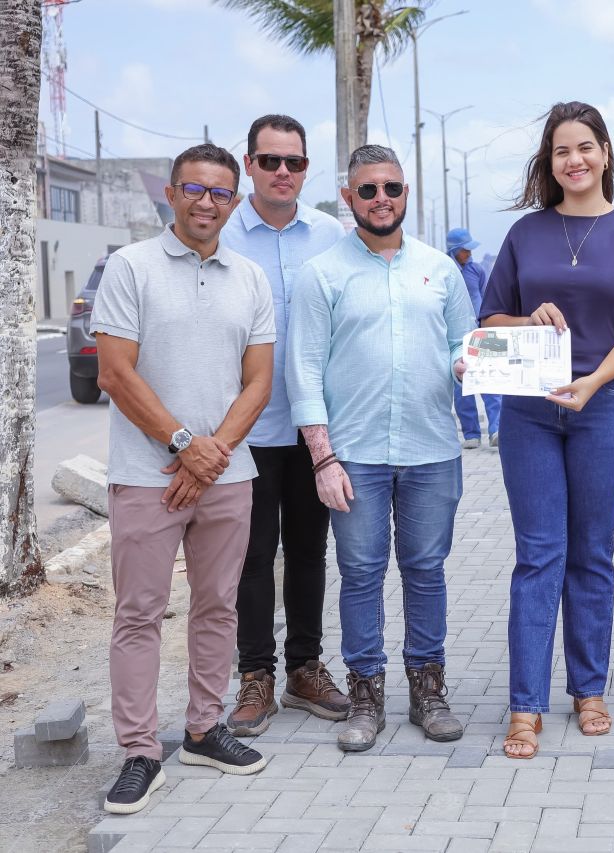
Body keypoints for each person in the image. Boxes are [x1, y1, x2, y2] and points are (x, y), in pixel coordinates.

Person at [479, 101, 614, 759]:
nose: (574, 159)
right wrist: (527, 321)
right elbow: (489, 320)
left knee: (591, 551)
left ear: (606, 153)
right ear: (548, 161)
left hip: (604, 409)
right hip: (530, 412)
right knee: (539, 554)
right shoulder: (526, 234)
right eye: (561, 150)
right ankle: (525, 704)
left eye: (585, 147)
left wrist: (592, 381)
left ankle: (589, 689)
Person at [93, 143, 274, 814]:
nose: (207, 201)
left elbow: (259, 381)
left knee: (218, 606)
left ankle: (203, 727)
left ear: (234, 202)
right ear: (170, 194)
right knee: (138, 612)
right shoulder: (131, 267)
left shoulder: (249, 277)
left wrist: (213, 453)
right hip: (146, 475)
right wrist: (180, 444)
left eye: (221, 192)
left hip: (228, 475)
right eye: (194, 189)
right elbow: (115, 372)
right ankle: (141, 749)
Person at [286, 145, 475, 752]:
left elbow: (460, 347)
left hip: (431, 449)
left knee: (425, 572)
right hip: (355, 455)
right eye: (367, 190)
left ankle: (429, 690)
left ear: (405, 192)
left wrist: (476, 367)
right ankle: (365, 693)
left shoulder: (440, 270)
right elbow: (304, 369)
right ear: (348, 197)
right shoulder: (322, 274)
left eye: (390, 188)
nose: (380, 199)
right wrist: (322, 457)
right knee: (361, 573)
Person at [219, 114, 349, 736]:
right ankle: (254, 677)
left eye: (294, 163)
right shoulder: (223, 234)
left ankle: (304, 668)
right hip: (243, 425)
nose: (282, 173)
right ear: (249, 164)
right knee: (250, 557)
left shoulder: (330, 235)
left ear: (306, 168)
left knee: (307, 551)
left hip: (313, 425)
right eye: (269, 161)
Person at [446, 226, 502, 448]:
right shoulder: (445, 271)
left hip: (480, 332)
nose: (469, 254)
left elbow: (485, 296)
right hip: (457, 337)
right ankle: (471, 434)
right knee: (463, 386)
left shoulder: (477, 270)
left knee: (491, 379)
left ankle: (496, 429)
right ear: (454, 250)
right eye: (465, 250)